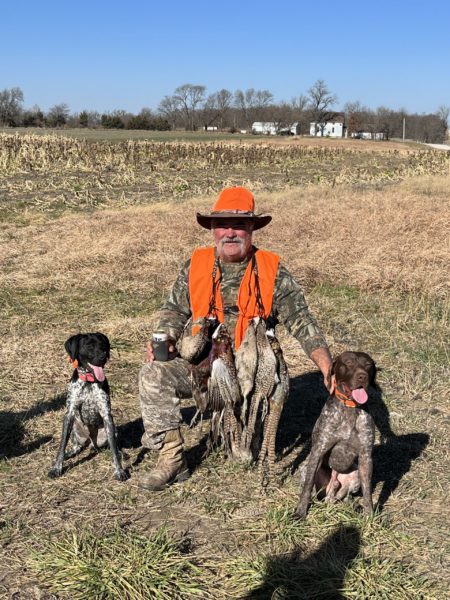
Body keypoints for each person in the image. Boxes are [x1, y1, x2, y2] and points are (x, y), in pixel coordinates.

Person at [138, 186, 333, 491]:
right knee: (153, 372)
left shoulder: (272, 269)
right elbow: (174, 309)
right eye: (222, 225)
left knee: (244, 458)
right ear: (213, 230)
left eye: (238, 225)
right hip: (204, 364)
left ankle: (245, 428)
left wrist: (325, 364)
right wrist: (164, 337)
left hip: (252, 374)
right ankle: (172, 459)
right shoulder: (196, 264)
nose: (229, 233)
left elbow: (301, 320)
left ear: (252, 228)